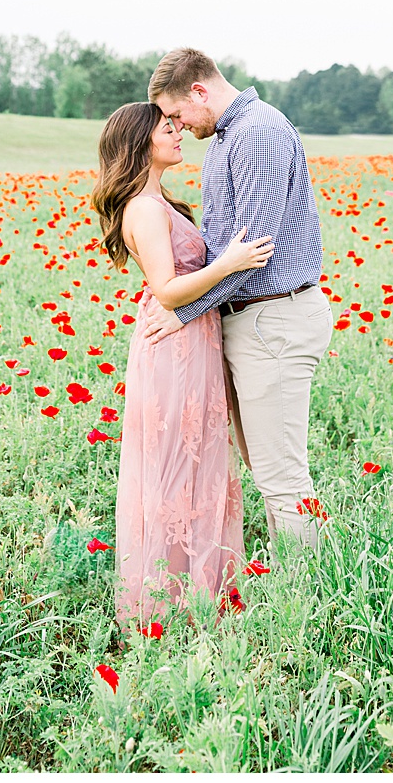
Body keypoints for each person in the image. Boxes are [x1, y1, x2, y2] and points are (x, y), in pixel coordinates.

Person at [141, 48, 332, 556]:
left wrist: (182, 311)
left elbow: (251, 253)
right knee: (269, 470)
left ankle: (309, 595)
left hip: (275, 316)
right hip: (255, 320)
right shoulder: (231, 136)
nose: (178, 126)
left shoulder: (258, 134)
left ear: (199, 91)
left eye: (178, 114)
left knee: (282, 476)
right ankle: (299, 585)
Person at [94, 102, 270, 621]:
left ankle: (199, 593)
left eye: (176, 124)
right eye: (165, 128)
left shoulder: (157, 200)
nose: (177, 134)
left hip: (193, 340)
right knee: (176, 463)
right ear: (139, 142)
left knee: (197, 461)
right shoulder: (144, 209)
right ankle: (166, 605)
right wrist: (230, 263)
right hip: (173, 345)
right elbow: (167, 291)